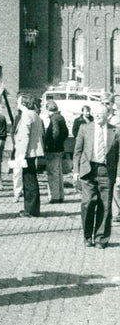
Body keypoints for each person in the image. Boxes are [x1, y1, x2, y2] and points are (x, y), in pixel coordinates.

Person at [73, 101, 118, 248]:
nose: (98, 116)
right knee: (88, 203)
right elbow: (77, 152)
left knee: (105, 206)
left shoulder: (115, 131)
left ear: (108, 115)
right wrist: (76, 172)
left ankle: (101, 239)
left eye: (101, 114)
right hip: (88, 171)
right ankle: (87, 236)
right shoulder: (84, 128)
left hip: (106, 172)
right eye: (96, 114)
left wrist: (118, 176)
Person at [12, 93, 45, 217]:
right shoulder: (34, 115)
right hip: (33, 151)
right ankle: (31, 208)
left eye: (19, 101)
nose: (17, 103)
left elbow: (25, 136)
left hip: (27, 153)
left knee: (29, 180)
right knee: (30, 179)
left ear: (24, 103)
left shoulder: (26, 116)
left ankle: (30, 210)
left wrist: (21, 154)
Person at [42, 100, 68, 203]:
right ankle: (60, 195)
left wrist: (49, 145)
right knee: (58, 172)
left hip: (53, 150)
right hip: (60, 148)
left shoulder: (54, 119)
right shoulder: (61, 117)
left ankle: (54, 196)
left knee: (52, 173)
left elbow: (55, 133)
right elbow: (65, 132)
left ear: (48, 109)